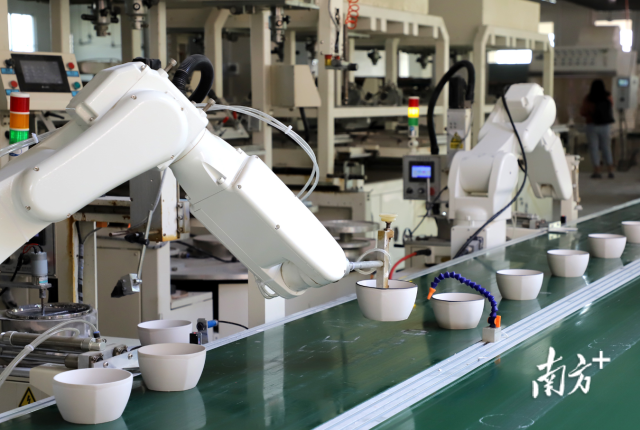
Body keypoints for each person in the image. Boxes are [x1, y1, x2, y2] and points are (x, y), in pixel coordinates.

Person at [580, 79, 615, 179]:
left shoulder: (589, 98)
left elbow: (583, 112)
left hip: (592, 126)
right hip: (605, 126)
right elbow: (611, 107)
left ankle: (597, 171)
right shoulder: (608, 97)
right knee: (606, 148)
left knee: (594, 148)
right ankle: (610, 170)